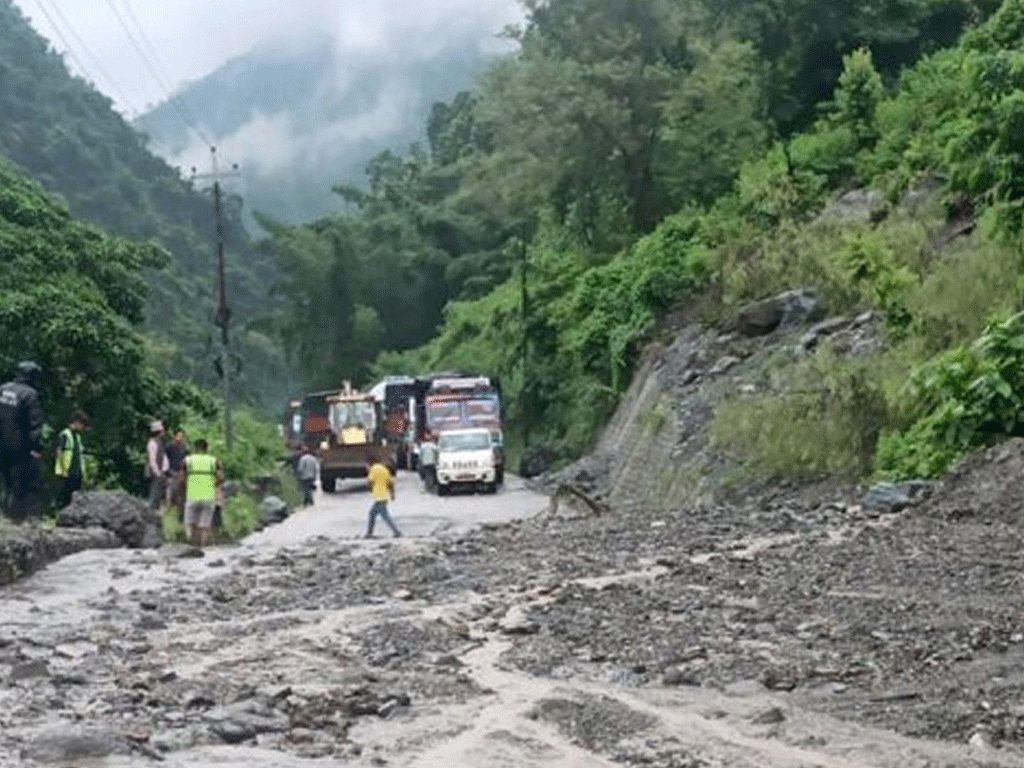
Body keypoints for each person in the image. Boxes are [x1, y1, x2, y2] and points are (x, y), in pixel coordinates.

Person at [0, 362, 44, 523]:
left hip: (1, 443)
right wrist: (36, 448)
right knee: (21, 483)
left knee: (6, 481)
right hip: (19, 446)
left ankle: (4, 515)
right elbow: (35, 425)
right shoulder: (30, 395)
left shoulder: (3, 389)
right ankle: (15, 518)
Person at [181, 438, 222, 549]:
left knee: (190, 524)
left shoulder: (188, 460)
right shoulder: (214, 461)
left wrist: (187, 485)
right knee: (204, 526)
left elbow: (182, 478)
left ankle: (192, 547)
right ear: (207, 448)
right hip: (208, 497)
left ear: (195, 448)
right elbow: (220, 477)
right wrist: (214, 485)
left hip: (192, 496)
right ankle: (203, 549)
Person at [54, 411, 88, 509]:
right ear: (76, 422)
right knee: (64, 496)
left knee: (75, 497)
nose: (82, 428)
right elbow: (59, 451)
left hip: (77, 472)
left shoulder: (77, 437)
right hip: (66, 471)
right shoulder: (65, 434)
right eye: (81, 424)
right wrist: (62, 469)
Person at [365, 450, 401, 539]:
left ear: (370, 463)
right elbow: (390, 483)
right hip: (384, 496)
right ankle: (369, 533)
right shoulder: (384, 469)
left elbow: (370, 482)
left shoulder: (373, 469)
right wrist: (392, 494)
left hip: (379, 497)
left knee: (384, 516)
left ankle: (396, 532)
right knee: (373, 514)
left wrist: (369, 488)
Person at [145, 420, 170, 511]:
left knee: (159, 497)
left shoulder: (159, 443)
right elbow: (152, 461)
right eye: (162, 431)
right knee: (154, 496)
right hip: (156, 474)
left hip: (161, 474)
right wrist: (158, 473)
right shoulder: (152, 443)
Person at [165, 429, 189, 520]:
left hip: (181, 474)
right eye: (179, 436)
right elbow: (165, 460)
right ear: (174, 437)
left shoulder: (184, 449)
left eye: (182, 436)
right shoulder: (168, 447)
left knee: (181, 498)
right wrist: (168, 471)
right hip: (171, 474)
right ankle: (167, 515)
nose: (181, 438)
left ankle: (180, 517)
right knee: (171, 496)